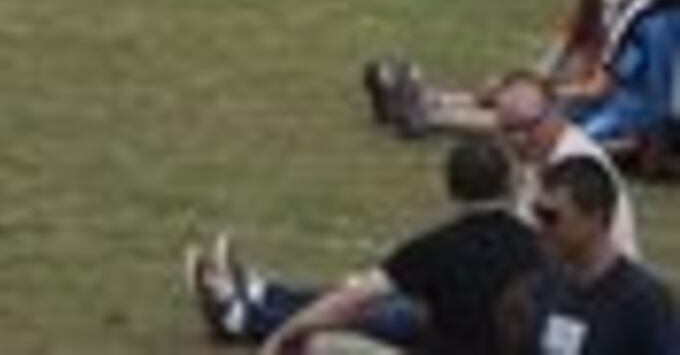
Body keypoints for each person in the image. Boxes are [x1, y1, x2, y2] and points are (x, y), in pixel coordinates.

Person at [187, 134, 542, 352]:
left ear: (450, 188)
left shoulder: (434, 248)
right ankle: (263, 294)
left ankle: (243, 317)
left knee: (327, 338)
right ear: (508, 185)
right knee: (395, 309)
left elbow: (351, 300)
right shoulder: (540, 245)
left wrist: (284, 333)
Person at [526, 153, 680, 351]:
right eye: (537, 213)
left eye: (551, 217)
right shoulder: (545, 287)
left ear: (595, 217)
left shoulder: (643, 301)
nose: (540, 227)